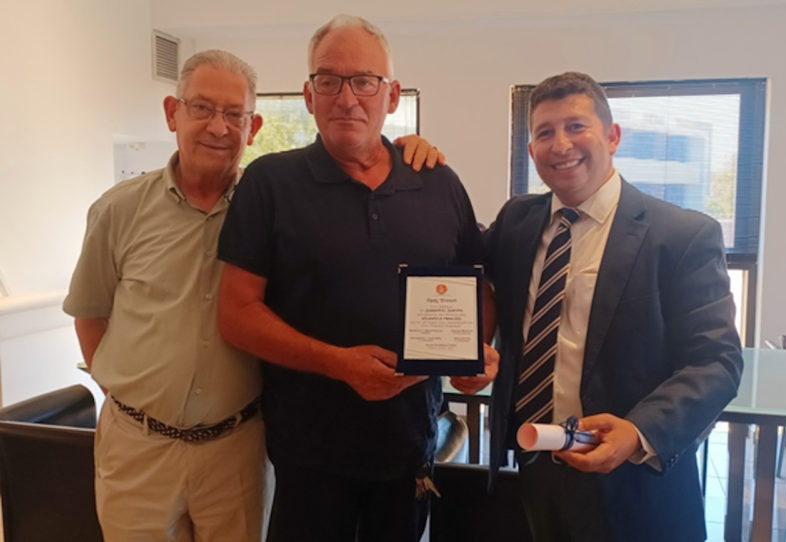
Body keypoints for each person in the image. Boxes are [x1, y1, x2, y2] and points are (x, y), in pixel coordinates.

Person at [63, 48, 440, 541]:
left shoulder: (276, 203)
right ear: (173, 113)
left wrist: (399, 151)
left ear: (254, 126)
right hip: (138, 448)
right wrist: (131, 402)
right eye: (202, 108)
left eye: (234, 114)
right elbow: (91, 315)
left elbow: (352, 173)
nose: (218, 127)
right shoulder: (118, 210)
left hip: (237, 449)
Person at [216, 15, 497, 542]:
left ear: (392, 95)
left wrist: (474, 355)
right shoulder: (269, 183)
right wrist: (338, 364)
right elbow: (236, 314)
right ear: (309, 95)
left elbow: (476, 286)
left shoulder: (438, 182)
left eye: (365, 81)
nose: (347, 98)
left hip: (410, 451)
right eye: (329, 80)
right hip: (308, 458)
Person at [484, 72, 743, 542]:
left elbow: (716, 362)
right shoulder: (515, 222)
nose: (561, 144)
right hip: (537, 468)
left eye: (576, 126)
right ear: (532, 151)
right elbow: (459, 273)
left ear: (613, 137)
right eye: (545, 132)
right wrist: (413, 163)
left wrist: (638, 431)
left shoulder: (681, 236)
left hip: (636, 486)